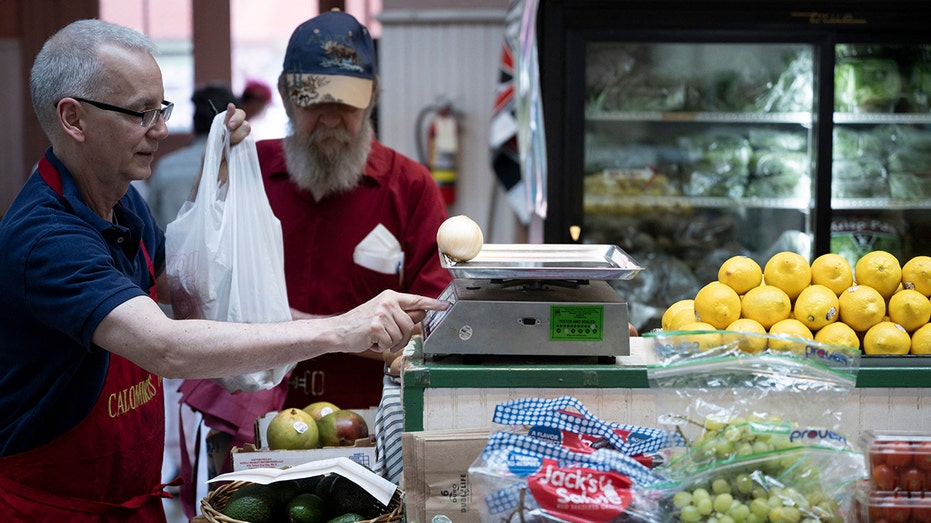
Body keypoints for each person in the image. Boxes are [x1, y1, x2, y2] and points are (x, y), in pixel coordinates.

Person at [0, 18, 447, 522]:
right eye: (141, 112)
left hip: (128, 496)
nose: (162, 129)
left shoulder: (121, 206)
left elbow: (196, 291)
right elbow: (164, 345)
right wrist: (341, 328)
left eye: (161, 108)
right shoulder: (47, 240)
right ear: (73, 119)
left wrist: (217, 187)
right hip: (56, 506)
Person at [256, 10, 453, 483]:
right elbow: (197, 296)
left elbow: (437, 326)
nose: (329, 118)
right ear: (285, 96)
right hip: (254, 432)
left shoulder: (410, 188)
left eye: (346, 102)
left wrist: (294, 325)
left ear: (372, 100)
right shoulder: (247, 176)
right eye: (312, 99)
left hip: (373, 434)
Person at [147, 83, 240, 229]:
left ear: (195, 118)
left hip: (170, 250)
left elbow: (150, 219)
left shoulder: (165, 166)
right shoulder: (241, 166)